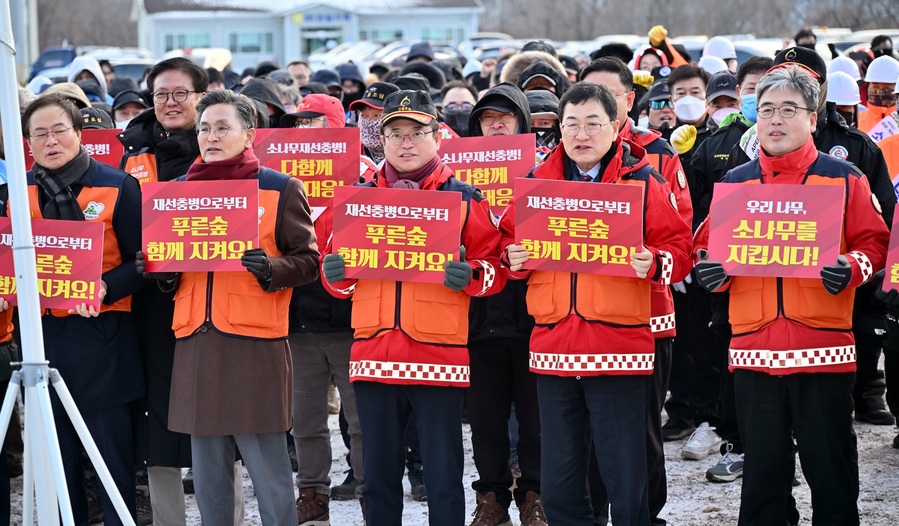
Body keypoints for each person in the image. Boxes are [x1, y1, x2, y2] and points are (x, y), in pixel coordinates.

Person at [693, 65, 889, 526]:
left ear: (811, 115)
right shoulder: (736, 182)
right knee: (762, 477)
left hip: (823, 350)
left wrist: (853, 267)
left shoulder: (844, 177)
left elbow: (876, 244)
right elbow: (702, 245)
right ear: (754, 119)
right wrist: (710, 270)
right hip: (753, 351)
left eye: (787, 110)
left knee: (831, 471)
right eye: (766, 111)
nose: (775, 121)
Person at [500, 82, 692, 526]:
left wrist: (655, 261)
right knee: (560, 481)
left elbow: (679, 250)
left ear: (615, 127)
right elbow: (507, 244)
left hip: (618, 347)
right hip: (554, 348)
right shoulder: (535, 184)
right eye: (571, 124)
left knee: (625, 478)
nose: (581, 134)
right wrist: (513, 258)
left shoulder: (644, 181)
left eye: (592, 123)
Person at [321, 89, 505, 526]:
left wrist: (473, 275)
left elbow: (498, 269)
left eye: (417, 132)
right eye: (396, 133)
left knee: (443, 477)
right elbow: (339, 281)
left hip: (437, 355)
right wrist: (335, 274)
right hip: (374, 355)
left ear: (438, 136)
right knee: (378, 477)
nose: (406, 143)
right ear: (380, 141)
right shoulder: (355, 198)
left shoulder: (464, 198)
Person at [144, 89, 319, 525]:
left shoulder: (279, 187)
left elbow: (309, 261)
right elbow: (168, 267)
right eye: (204, 128)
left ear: (249, 134)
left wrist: (272, 268)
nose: (211, 136)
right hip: (195, 338)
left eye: (223, 127)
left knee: (267, 465)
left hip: (254, 340)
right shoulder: (177, 192)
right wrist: (160, 270)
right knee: (207, 468)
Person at [119, 57, 245, 526]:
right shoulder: (131, 151)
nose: (170, 103)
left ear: (202, 94)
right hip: (151, 308)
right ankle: (169, 518)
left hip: (217, 304)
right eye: (160, 95)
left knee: (219, 415)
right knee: (159, 422)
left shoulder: (223, 147)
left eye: (180, 94)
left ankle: (225, 518)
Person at [17, 93, 145, 525]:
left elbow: (144, 260)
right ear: (27, 143)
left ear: (78, 133)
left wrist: (107, 286)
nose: (51, 141)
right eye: (40, 134)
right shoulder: (14, 193)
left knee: (110, 454)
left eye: (59, 130)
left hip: (103, 335)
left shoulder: (117, 186)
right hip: (41, 338)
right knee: (57, 456)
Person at [579, 57, 693, 526]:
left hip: (646, 316)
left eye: (606, 98)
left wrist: (645, 254)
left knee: (639, 428)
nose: (593, 109)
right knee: (582, 430)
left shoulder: (658, 154)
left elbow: (679, 227)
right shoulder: (566, 156)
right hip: (581, 316)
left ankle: (644, 512)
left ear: (628, 101)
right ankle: (594, 510)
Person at [284, 90, 370, 524]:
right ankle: (312, 492)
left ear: (335, 127)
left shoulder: (367, 174)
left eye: (313, 122)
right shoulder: (277, 175)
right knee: (306, 420)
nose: (305, 131)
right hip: (296, 320)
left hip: (353, 321)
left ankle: (371, 487)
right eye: (298, 124)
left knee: (360, 420)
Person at [464, 83, 545, 526]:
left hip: (532, 317)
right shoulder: (456, 182)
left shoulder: (543, 174)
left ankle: (535, 494)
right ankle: (491, 498)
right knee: (486, 421)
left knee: (535, 421)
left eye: (506, 117)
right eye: (487, 118)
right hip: (477, 321)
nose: (496, 125)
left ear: (523, 124)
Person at [689, 55, 772, 484]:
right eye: (751, 90)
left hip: (797, 293)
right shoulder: (720, 142)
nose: (760, 99)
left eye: (768, 88)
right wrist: (703, 257)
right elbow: (699, 212)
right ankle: (738, 445)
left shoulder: (822, 161)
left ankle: (781, 451)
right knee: (735, 366)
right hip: (734, 287)